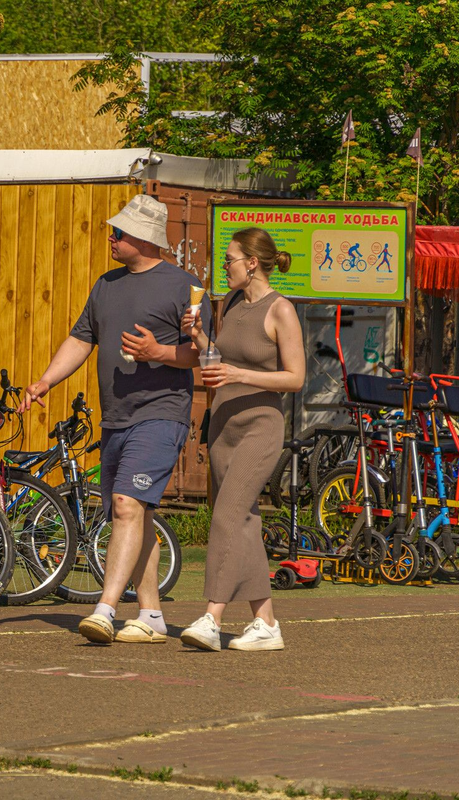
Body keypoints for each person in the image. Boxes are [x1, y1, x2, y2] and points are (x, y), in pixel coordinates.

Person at [18, 194, 211, 645]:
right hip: (115, 420)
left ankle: (105, 609)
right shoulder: (106, 285)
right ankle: (152, 616)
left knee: (126, 506)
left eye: (119, 232)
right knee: (133, 513)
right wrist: (45, 381)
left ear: (143, 238)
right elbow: (81, 339)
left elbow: (199, 352)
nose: (111, 237)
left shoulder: (185, 285)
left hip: (161, 414)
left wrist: (159, 352)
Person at [178, 227, 305, 652]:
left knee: (228, 515)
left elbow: (296, 377)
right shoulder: (230, 303)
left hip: (260, 427)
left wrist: (239, 375)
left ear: (252, 263)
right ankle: (265, 623)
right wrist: (197, 338)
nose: (224, 267)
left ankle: (211, 617)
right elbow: (219, 359)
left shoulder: (281, 310)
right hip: (223, 427)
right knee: (244, 521)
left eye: (230, 259)